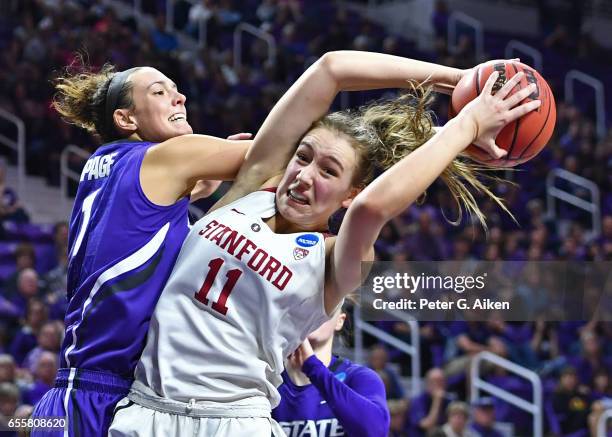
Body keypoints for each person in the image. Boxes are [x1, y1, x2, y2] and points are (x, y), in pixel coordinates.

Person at [110, 50, 540, 436]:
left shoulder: (335, 258)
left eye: (329, 171)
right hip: (147, 408)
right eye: (303, 156)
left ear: (349, 194)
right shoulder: (252, 190)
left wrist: (468, 124)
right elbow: (331, 68)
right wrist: (460, 78)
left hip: (234, 422)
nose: (304, 175)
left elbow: (373, 209)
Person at [30, 60, 268, 437]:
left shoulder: (103, 163)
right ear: (126, 119)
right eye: (160, 92)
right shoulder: (164, 156)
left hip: (70, 395)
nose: (180, 97)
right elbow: (276, 156)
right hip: (98, 400)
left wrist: (197, 182)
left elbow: (144, 220)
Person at [272, 306, 390, 437]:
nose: (314, 315)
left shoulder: (360, 377)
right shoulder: (266, 381)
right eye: (307, 307)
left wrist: (313, 367)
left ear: (340, 321)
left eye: (324, 307)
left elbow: (376, 432)